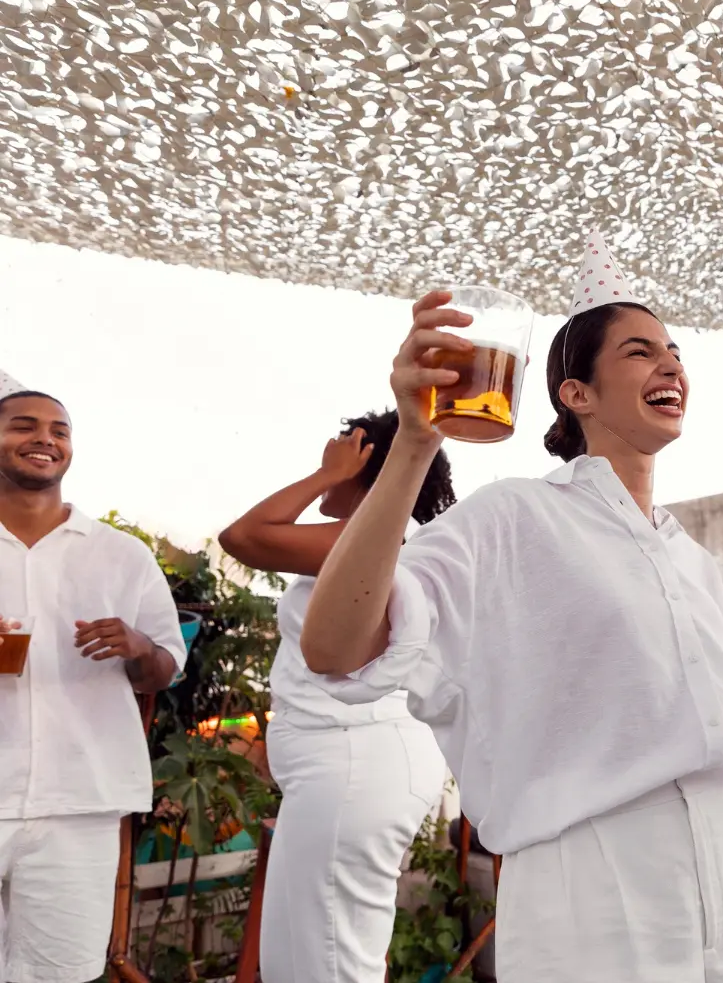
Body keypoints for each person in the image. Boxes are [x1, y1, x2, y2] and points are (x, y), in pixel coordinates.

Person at [297, 232, 723, 983]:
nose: (671, 365)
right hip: (592, 883)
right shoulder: (514, 516)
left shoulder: (683, 556)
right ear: (576, 393)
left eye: (674, 352)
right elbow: (334, 648)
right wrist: (415, 444)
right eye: (639, 352)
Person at [218, 409, 455, 983]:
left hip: (355, 762)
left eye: (341, 451)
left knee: (326, 963)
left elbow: (243, 537)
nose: (327, 460)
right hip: (349, 763)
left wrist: (326, 475)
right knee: (304, 959)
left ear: (366, 462)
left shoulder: (380, 536)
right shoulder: (369, 537)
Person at [0, 385, 188, 983]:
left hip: (79, 803)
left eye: (59, 430)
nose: (44, 439)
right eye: (23, 425)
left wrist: (139, 646)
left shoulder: (122, 556)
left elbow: (165, 667)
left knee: (60, 973)